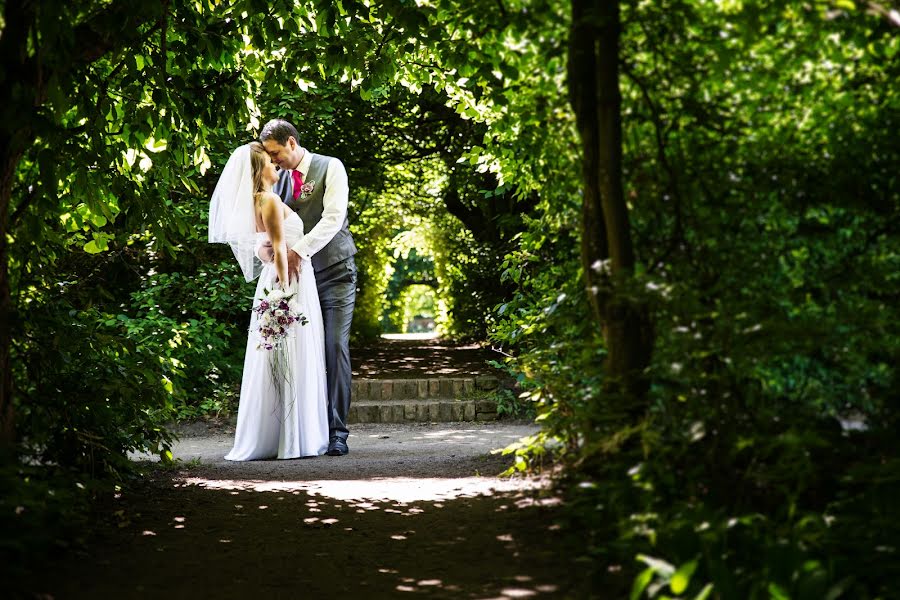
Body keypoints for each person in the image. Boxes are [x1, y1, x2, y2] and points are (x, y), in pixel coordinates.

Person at [209, 142, 329, 460]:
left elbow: (260, 247)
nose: (275, 166)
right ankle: (294, 437)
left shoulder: (252, 203)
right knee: (294, 351)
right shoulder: (270, 200)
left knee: (276, 353)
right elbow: (277, 248)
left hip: (272, 279)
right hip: (288, 281)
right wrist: (286, 293)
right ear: (257, 170)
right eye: (269, 163)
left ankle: (273, 435)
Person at [258, 119, 357, 457]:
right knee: (300, 352)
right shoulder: (276, 180)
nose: (273, 161)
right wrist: (269, 251)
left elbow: (333, 217)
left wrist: (298, 251)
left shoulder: (331, 168)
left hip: (334, 272)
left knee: (333, 347)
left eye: (276, 153)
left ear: (291, 142)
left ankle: (337, 432)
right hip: (296, 282)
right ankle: (301, 430)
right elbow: (268, 229)